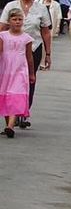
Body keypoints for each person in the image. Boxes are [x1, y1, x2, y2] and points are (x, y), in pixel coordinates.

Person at [0, 0, 52, 124]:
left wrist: (48, 54)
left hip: (33, 48)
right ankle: (13, 111)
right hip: (11, 50)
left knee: (29, 80)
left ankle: (23, 111)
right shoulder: (11, 6)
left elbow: (46, 32)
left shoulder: (41, 8)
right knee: (11, 81)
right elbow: (2, 27)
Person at [0, 8, 36, 138]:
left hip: (20, 70)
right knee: (6, 95)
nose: (17, 22)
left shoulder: (26, 38)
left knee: (15, 95)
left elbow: (29, 57)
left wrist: (32, 73)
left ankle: (10, 126)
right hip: (5, 70)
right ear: (9, 21)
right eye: (14, 19)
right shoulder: (3, 36)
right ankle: (8, 125)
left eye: (20, 19)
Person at [36, 0, 62, 70]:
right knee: (38, 44)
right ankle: (38, 61)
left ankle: (43, 63)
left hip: (49, 27)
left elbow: (59, 17)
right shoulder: (37, 2)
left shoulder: (56, 4)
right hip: (38, 26)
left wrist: (58, 27)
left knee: (46, 45)